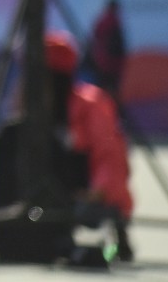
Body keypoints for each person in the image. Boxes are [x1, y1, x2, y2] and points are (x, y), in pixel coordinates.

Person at [45, 31, 135, 261]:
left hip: (93, 196)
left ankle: (113, 238)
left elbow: (110, 156)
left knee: (88, 214)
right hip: (52, 196)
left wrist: (99, 191)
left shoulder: (91, 103)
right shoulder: (36, 108)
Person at [85, 0, 126, 103]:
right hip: (111, 65)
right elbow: (118, 46)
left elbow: (93, 40)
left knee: (100, 93)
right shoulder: (114, 22)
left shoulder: (101, 21)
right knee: (110, 94)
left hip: (100, 63)